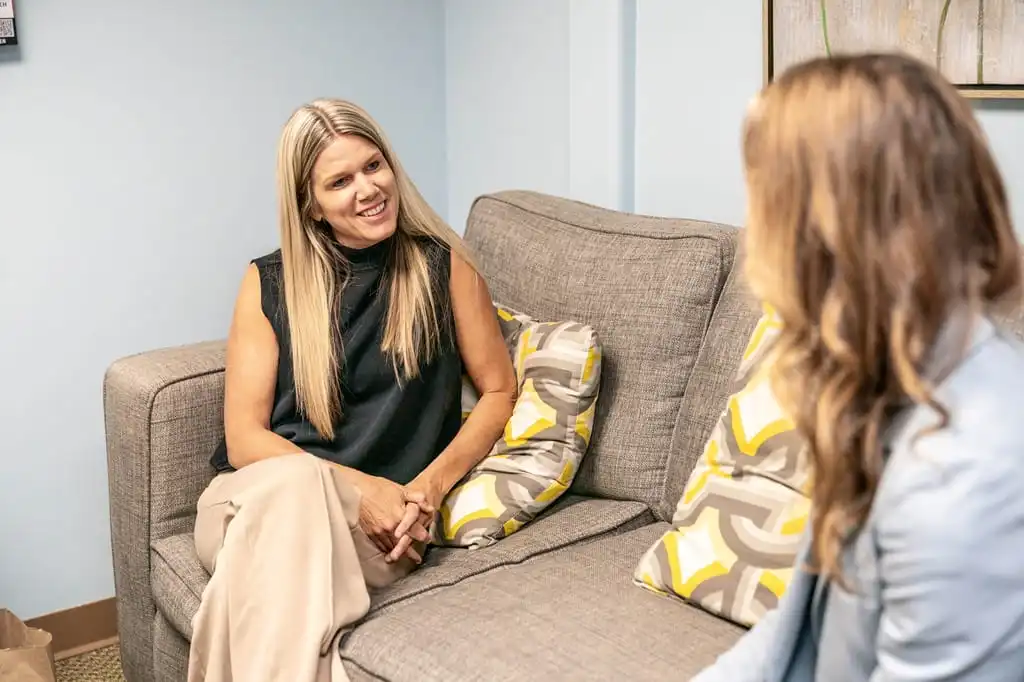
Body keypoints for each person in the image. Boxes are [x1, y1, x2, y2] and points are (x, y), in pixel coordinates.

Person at [694, 53, 1024, 681]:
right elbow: (797, 630)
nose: (750, 242)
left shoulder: (965, 477)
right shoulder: (887, 380)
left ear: (827, 238)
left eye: (763, 206)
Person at [187, 99, 517, 682]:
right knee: (293, 489)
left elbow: (498, 391)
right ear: (310, 205)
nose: (367, 188)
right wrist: (357, 487)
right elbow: (244, 438)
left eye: (373, 166)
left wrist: (427, 489)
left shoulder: (443, 268)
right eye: (340, 181)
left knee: (268, 587)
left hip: (378, 530)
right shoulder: (270, 281)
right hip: (253, 503)